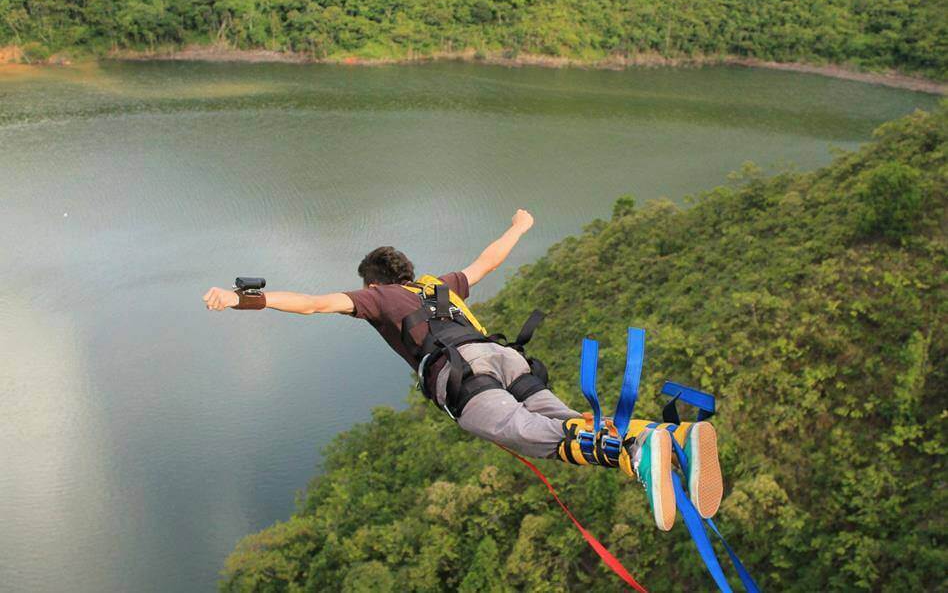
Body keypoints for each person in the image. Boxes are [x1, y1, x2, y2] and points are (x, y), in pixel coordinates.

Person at [202, 209, 722, 530]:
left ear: (373, 280)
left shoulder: (377, 296)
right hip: (503, 355)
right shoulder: (439, 285)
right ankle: (667, 437)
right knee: (559, 419)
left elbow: (314, 304)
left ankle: (630, 452)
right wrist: (520, 225)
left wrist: (243, 299)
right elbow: (489, 260)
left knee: (515, 430)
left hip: (463, 374)